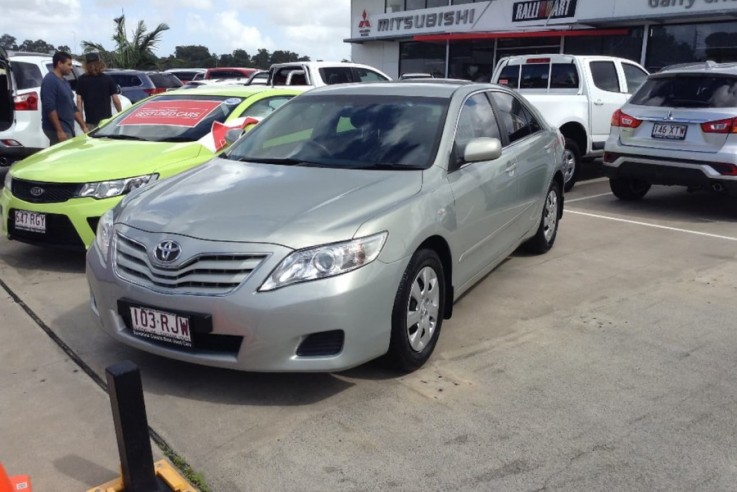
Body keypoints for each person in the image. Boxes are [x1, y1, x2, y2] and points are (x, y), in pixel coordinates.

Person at [41, 51, 87, 144]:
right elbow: (49, 107)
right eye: (69, 64)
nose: (71, 68)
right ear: (59, 63)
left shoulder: (65, 81)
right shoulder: (50, 80)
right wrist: (59, 130)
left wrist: (84, 126)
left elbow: (72, 107)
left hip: (68, 127)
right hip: (58, 129)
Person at [76, 52, 122, 131]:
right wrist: (121, 115)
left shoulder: (81, 80)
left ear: (86, 65)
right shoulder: (108, 79)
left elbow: (79, 101)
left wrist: (82, 124)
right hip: (106, 121)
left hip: (90, 121)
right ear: (100, 63)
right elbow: (116, 100)